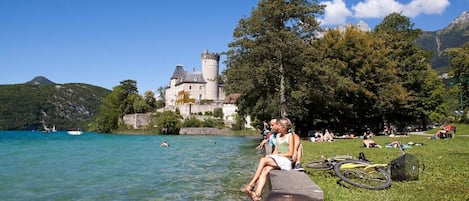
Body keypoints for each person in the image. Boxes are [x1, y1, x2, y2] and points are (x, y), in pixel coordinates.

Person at [241, 117, 295, 201]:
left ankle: (251, 184)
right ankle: (257, 195)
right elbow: (276, 151)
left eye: (279, 126)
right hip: (279, 160)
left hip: (286, 161)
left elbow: (291, 153)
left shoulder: (290, 136)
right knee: (265, 170)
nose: (278, 127)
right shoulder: (277, 136)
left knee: (263, 160)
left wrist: (277, 156)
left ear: (284, 127)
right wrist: (272, 156)